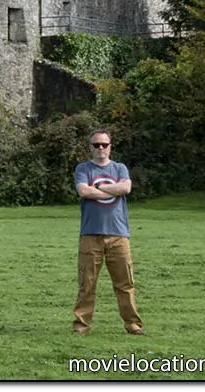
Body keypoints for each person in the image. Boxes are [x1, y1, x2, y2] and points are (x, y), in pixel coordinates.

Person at [73, 130, 144, 336]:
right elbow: (83, 191)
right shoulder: (83, 168)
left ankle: (133, 324)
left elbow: (126, 188)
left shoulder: (120, 168)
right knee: (87, 283)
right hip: (90, 234)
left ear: (110, 146)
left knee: (125, 283)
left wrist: (100, 189)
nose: (100, 148)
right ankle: (81, 326)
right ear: (90, 148)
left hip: (118, 234)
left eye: (104, 144)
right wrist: (113, 188)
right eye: (96, 145)